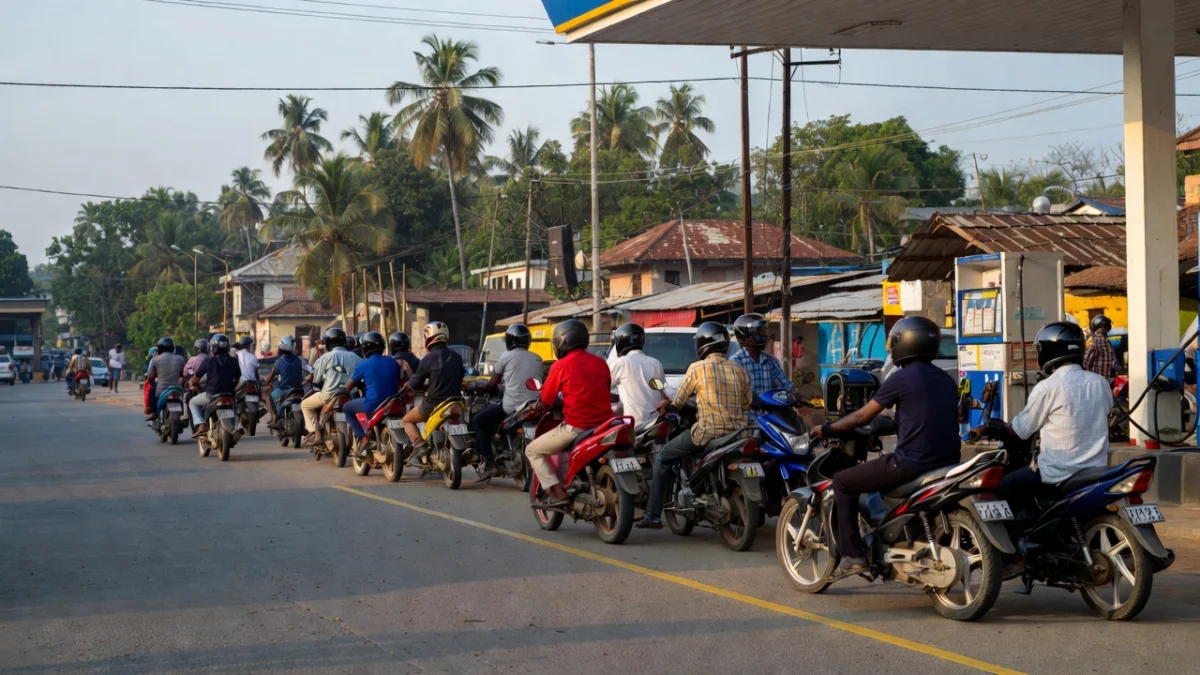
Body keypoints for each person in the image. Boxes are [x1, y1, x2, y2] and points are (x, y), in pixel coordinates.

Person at [810, 316, 962, 576]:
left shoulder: (901, 378)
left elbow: (861, 416)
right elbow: (922, 418)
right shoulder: (947, 379)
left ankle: (854, 555)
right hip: (948, 462)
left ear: (904, 343)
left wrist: (828, 428)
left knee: (843, 482)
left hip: (910, 463)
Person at [636, 322, 751, 529]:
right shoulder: (739, 370)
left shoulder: (697, 368)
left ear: (702, 344)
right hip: (737, 433)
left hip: (707, 432)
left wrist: (667, 405)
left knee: (663, 456)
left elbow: (678, 402)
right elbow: (746, 403)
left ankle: (653, 515)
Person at [993, 322, 1113, 497]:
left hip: (1057, 474)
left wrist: (999, 426)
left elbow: (1021, 430)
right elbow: (1106, 411)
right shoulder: (1100, 382)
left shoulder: (1047, 387)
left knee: (1001, 486)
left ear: (1048, 350)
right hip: (1095, 472)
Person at [525, 320, 612, 506]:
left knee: (532, 450)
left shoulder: (561, 365)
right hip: (604, 426)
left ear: (561, 341)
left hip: (578, 427)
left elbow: (547, 400)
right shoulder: (601, 363)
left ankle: (556, 493)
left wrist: (539, 407)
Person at [471, 324, 544, 481]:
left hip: (511, 406)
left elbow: (492, 383)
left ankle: (489, 463)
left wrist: (482, 387)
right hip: (534, 405)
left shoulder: (505, 356)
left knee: (479, 420)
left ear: (510, 340)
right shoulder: (538, 358)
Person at [402, 322, 465, 465]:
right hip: (456, 402)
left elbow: (415, 383)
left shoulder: (428, 358)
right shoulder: (457, 357)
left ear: (428, 338)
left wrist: (408, 386)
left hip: (433, 404)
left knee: (406, 420)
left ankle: (420, 446)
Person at [344, 331, 401, 456]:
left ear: (365, 348)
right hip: (393, 402)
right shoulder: (393, 362)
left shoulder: (363, 365)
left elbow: (349, 386)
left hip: (373, 404)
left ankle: (363, 439)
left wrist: (343, 390)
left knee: (347, 408)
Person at [302, 328, 361, 446]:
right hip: (350, 395)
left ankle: (314, 432)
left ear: (328, 343)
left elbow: (317, 380)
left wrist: (318, 384)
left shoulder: (325, 357)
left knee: (305, 405)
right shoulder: (355, 357)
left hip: (328, 395)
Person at [731, 313, 796, 419]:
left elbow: (786, 384)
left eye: (764, 331)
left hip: (771, 422)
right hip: (747, 424)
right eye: (759, 332)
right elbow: (733, 395)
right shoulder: (735, 363)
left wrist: (798, 396)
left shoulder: (772, 362)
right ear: (745, 336)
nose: (764, 335)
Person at [608, 323, 667, 427]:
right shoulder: (655, 363)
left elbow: (602, 387)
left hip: (633, 424)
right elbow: (664, 393)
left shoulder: (621, 363)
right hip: (655, 422)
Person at [190, 334, 242, 437]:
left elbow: (196, 378)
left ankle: (201, 424)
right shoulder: (234, 361)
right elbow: (237, 379)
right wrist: (231, 388)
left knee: (192, 402)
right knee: (235, 407)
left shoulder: (209, 360)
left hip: (212, 394)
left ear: (213, 347)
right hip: (228, 394)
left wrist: (193, 383)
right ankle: (238, 424)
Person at [262, 336, 306, 429]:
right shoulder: (299, 360)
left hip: (284, 392)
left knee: (269, 395)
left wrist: (263, 378)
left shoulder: (278, 362)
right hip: (299, 390)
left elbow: (269, 379)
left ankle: (274, 416)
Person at [145, 337, 186, 420]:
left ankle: (153, 412)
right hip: (176, 389)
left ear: (159, 348)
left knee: (151, 391)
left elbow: (150, 376)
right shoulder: (180, 359)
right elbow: (183, 374)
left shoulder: (155, 360)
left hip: (161, 390)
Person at [1083, 314, 1116, 379]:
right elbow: (1113, 361)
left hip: (1094, 380)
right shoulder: (1107, 342)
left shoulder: (1095, 341)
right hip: (1105, 381)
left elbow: (1085, 362)